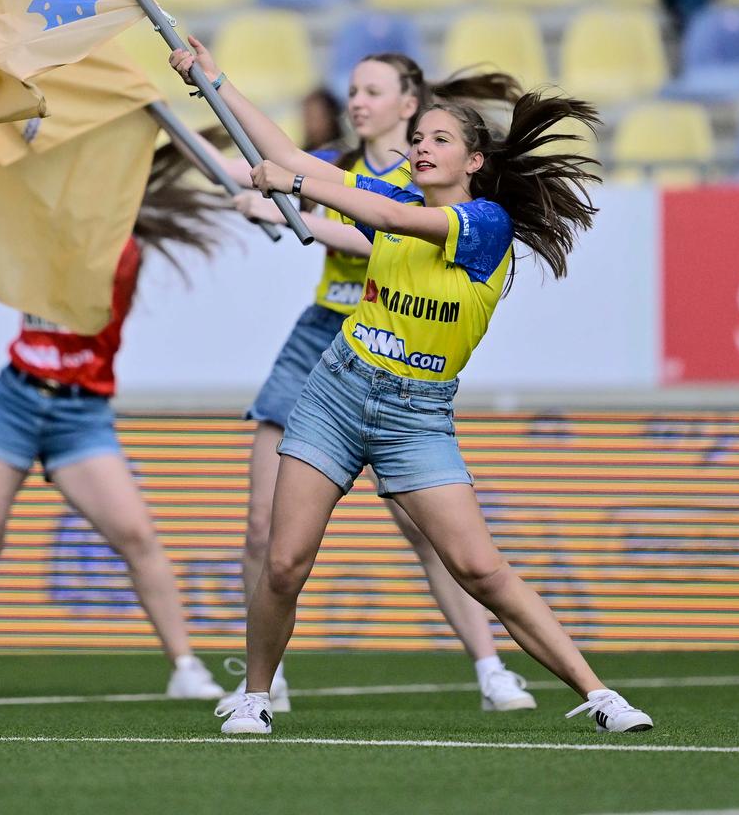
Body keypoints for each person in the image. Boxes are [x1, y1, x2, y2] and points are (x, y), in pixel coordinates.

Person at [166, 38, 656, 739]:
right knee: (284, 563)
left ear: (474, 162)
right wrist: (218, 83)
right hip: (337, 392)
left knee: (479, 568)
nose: (422, 147)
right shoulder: (392, 192)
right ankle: (254, 695)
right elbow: (295, 155)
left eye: (440, 140)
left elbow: (379, 214)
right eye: (418, 138)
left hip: (415, 416)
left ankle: (600, 695)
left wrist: (293, 186)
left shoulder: (484, 224)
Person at [222, 56, 540, 715]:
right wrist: (212, 87)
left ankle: (490, 666)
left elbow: (382, 229)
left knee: (430, 537)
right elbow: (275, 159)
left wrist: (293, 207)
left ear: (408, 103)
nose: (358, 102)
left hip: (398, 354)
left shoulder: (417, 184)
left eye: (373, 91)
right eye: (352, 90)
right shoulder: (340, 161)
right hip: (328, 339)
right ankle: (265, 680)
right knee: (266, 533)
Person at [0, 142, 228, 705]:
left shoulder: (122, 251)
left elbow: (70, 276)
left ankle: (186, 666)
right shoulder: (39, 225)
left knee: (135, 534)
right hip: (15, 397)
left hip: (80, 411)